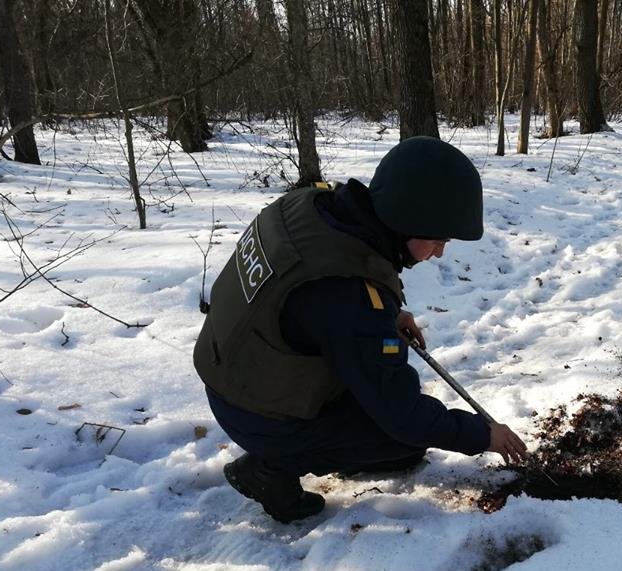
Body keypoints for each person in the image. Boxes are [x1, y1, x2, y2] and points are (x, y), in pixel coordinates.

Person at [193, 137, 528, 523]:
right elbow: (402, 414)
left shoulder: (315, 209)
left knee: (395, 425)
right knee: (401, 440)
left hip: (238, 373)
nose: (439, 253)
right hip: (256, 412)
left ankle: (300, 445)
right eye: (438, 240)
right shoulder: (349, 298)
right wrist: (483, 435)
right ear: (407, 222)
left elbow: (309, 304)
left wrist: (387, 315)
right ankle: (270, 469)